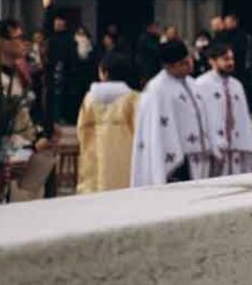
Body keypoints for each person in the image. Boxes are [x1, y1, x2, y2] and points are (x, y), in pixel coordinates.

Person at [131, 39, 212, 186]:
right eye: (183, 63)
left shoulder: (192, 83)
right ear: (168, 66)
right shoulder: (156, 90)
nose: (189, 65)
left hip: (199, 158)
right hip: (175, 162)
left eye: (189, 60)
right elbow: (157, 132)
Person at [75, 51, 139, 194]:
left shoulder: (89, 99)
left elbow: (81, 130)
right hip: (125, 159)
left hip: (94, 158)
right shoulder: (133, 99)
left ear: (104, 72)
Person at [194, 40, 252, 175]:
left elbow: (243, 119)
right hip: (213, 149)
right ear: (212, 61)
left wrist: (245, 143)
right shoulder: (200, 85)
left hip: (235, 148)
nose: (230, 63)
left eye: (231, 59)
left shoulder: (236, 85)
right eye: (225, 59)